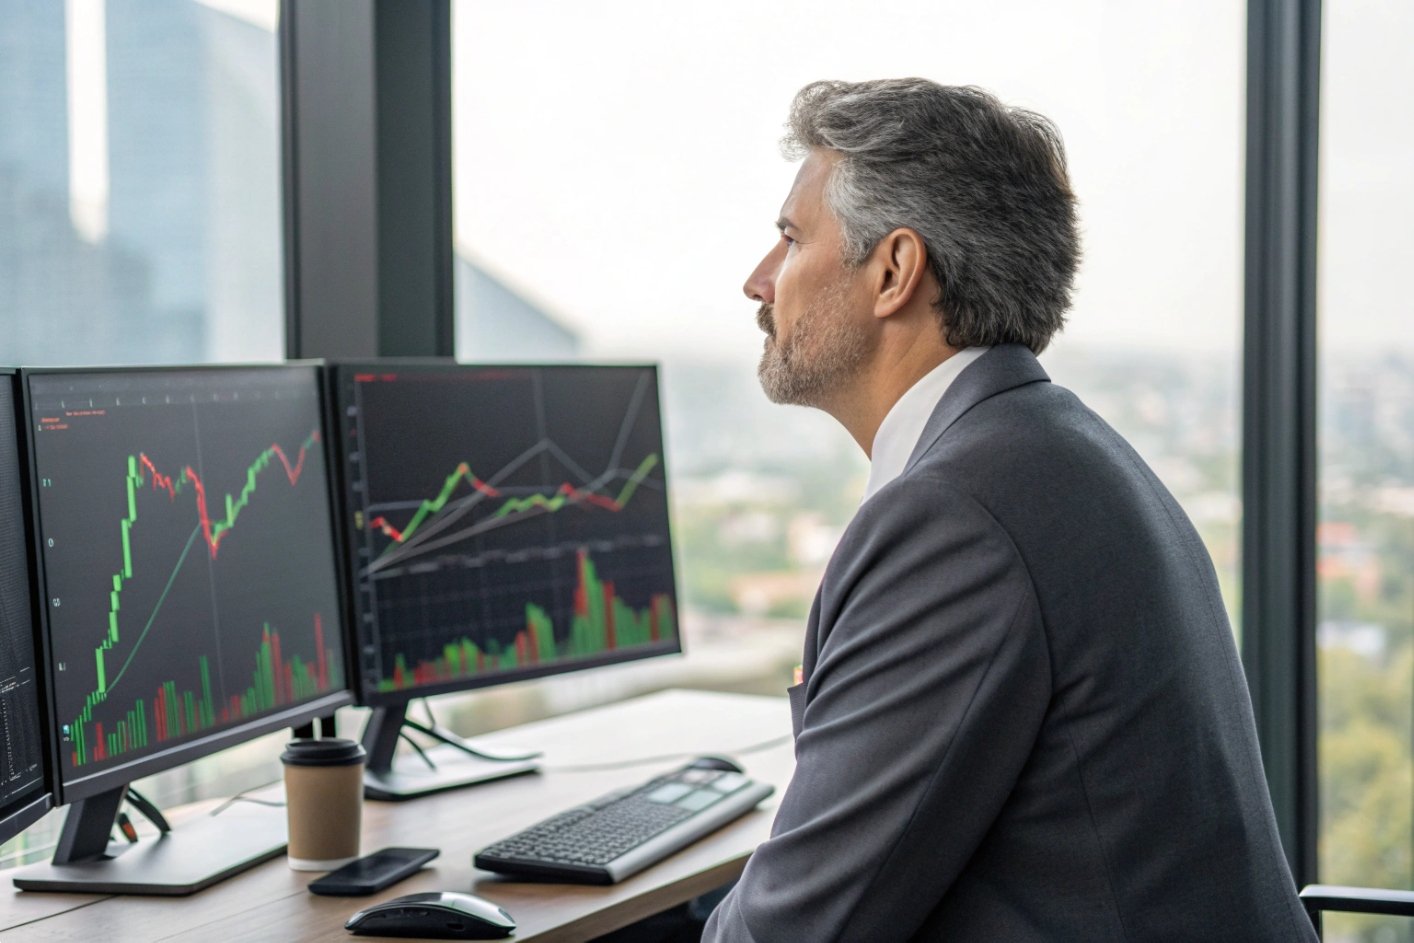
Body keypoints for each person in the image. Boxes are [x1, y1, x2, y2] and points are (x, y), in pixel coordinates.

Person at [701, 79, 1316, 942]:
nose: (757, 281)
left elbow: (794, 931)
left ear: (894, 271)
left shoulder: (957, 517)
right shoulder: (1057, 449)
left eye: (790, 238)